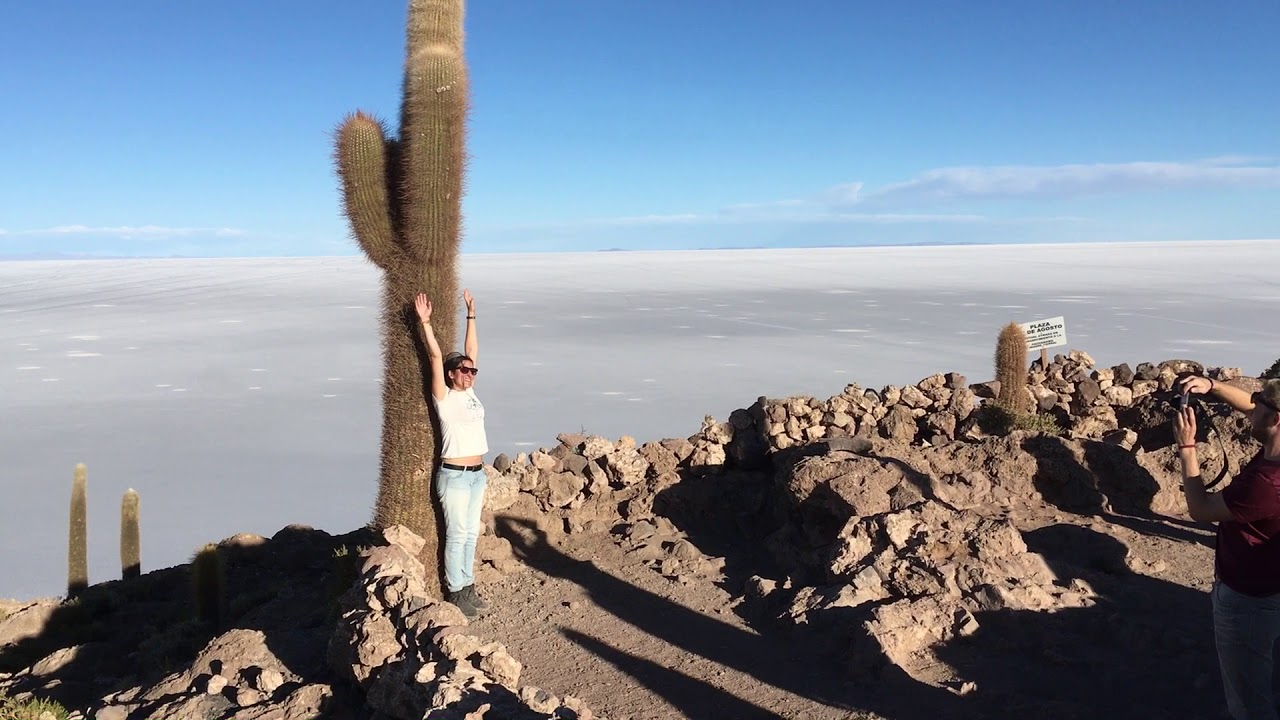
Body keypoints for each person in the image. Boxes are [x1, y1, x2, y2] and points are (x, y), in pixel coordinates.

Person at [1175, 374, 1280, 720]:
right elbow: (1253, 406)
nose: (1250, 409)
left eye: (1258, 404)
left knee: (1250, 704)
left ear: (1275, 419)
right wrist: (1213, 387)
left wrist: (1187, 447)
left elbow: (1201, 509)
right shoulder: (1273, 458)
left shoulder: (1266, 483)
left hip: (1247, 602)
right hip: (1271, 590)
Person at [415, 288, 490, 620]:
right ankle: (455, 590)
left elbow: (471, 350)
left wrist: (471, 314)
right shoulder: (444, 398)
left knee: (471, 533)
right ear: (450, 374)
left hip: (477, 475)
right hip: (455, 476)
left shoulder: (471, 393)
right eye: (463, 370)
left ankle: (469, 584)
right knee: (457, 533)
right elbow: (434, 357)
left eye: (472, 371)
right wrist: (426, 323)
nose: (469, 374)